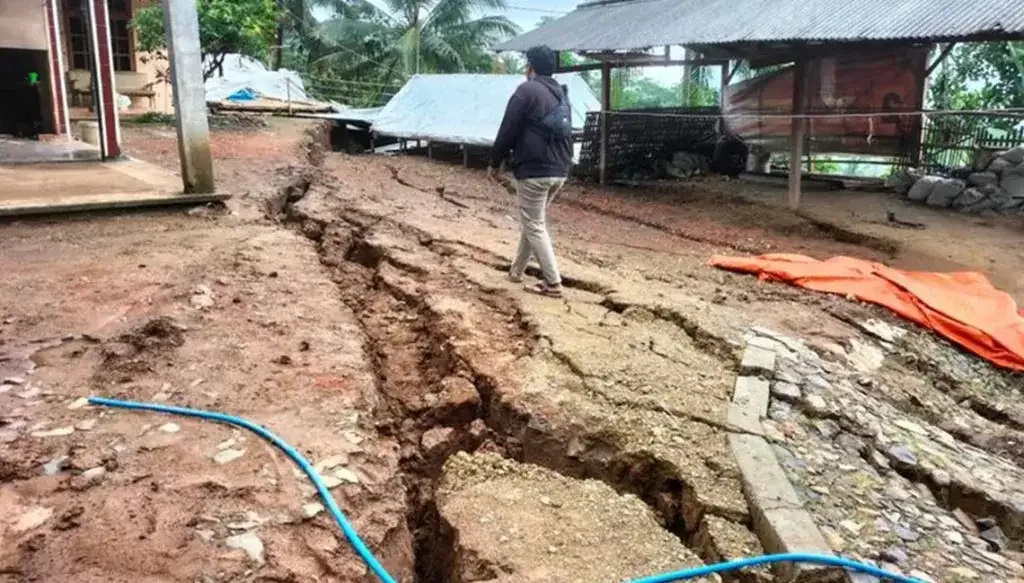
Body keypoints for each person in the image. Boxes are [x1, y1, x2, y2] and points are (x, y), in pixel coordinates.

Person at [487, 45, 572, 298]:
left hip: (535, 170)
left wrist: (495, 162)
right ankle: (516, 271)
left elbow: (508, 129)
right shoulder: (561, 92)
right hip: (560, 170)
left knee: (534, 224)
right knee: (533, 220)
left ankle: (553, 283)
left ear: (530, 67)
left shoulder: (527, 90)